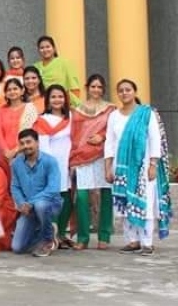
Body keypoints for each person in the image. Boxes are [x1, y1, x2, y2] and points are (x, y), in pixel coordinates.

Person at [105, 79, 172, 256]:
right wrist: (108, 167)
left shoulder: (146, 114)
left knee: (145, 203)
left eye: (128, 90)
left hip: (143, 167)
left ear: (134, 92)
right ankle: (132, 241)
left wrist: (153, 164)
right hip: (122, 167)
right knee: (126, 204)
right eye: (121, 90)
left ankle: (147, 243)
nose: (124, 93)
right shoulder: (114, 116)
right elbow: (109, 142)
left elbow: (155, 139)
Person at [70, 74, 116, 250]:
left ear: (103, 89)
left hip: (103, 156)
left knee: (106, 194)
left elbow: (113, 131)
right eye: (93, 86)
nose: (96, 90)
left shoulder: (110, 109)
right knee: (82, 197)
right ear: (87, 88)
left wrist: (101, 137)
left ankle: (104, 236)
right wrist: (74, 156)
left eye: (99, 87)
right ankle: (83, 237)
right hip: (81, 156)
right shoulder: (77, 110)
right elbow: (74, 136)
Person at [9, 129, 63, 257]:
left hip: (50, 204)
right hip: (28, 208)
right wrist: (21, 203)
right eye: (22, 143)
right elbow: (15, 187)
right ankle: (49, 231)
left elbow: (53, 189)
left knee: (40, 205)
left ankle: (47, 241)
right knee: (17, 247)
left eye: (29, 142)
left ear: (37, 143)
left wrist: (31, 203)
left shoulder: (50, 161)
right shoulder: (16, 163)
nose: (25, 146)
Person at [35, 85, 74, 248]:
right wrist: (51, 165)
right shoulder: (42, 120)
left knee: (66, 196)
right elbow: (43, 145)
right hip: (51, 162)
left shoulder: (71, 117)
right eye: (53, 97)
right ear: (48, 100)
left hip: (68, 161)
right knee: (53, 197)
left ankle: (62, 234)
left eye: (60, 96)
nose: (57, 100)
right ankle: (51, 234)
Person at [0, 78, 38, 178]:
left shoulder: (30, 109)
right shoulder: (1, 111)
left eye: (15, 89)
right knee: (5, 183)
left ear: (22, 90)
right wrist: (6, 152)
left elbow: (33, 133)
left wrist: (16, 151)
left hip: (25, 152)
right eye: (9, 90)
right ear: (5, 93)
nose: (12, 92)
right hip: (4, 155)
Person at [33, 36, 82, 107]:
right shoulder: (35, 67)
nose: (45, 50)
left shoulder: (65, 63)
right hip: (41, 104)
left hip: (62, 103)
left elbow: (74, 87)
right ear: (38, 50)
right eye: (42, 48)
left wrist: (71, 105)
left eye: (48, 47)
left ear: (54, 48)